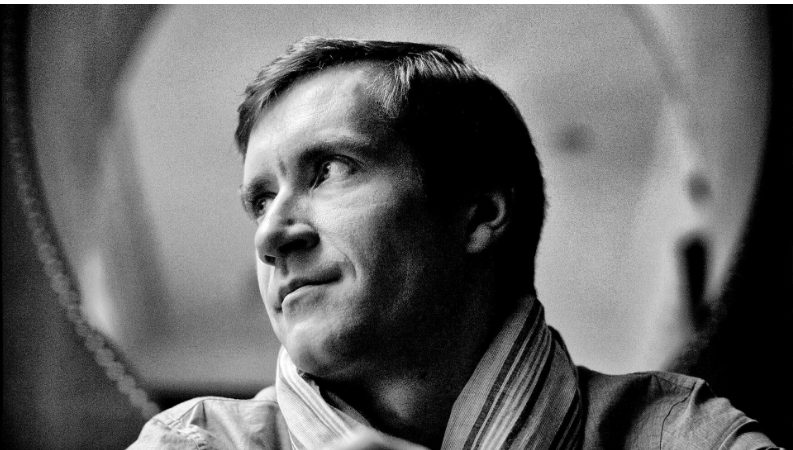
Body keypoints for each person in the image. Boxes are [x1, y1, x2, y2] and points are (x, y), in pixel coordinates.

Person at [130, 37, 778, 449]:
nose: (271, 235)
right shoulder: (192, 443)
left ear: (479, 214)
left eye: (328, 169)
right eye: (260, 201)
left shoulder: (685, 435)